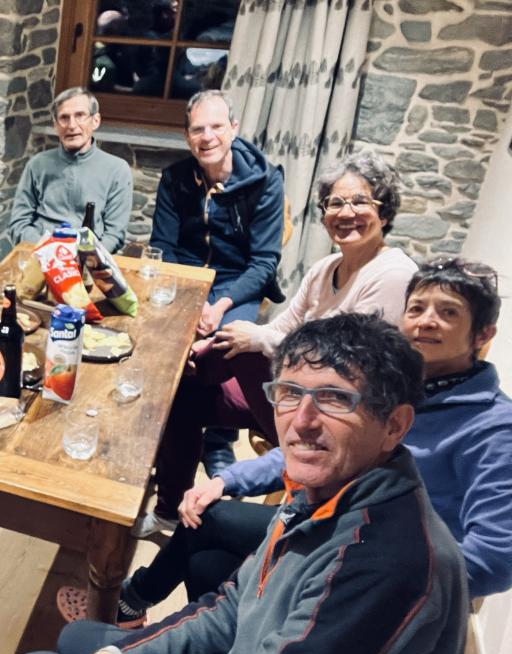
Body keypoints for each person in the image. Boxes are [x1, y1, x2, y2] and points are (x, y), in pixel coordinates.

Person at [14, 313, 469, 654]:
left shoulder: (383, 564)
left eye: (335, 399)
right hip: (251, 653)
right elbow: (236, 605)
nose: (302, 421)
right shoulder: (325, 491)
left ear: (395, 424)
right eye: (289, 393)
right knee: (81, 642)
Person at [111, 257, 511, 628]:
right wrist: (226, 480)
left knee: (210, 523)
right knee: (206, 561)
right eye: (417, 309)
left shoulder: (493, 428)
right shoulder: (391, 383)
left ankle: (134, 602)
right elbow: (313, 445)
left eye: (448, 312)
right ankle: (217, 644)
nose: (427, 322)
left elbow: (496, 558)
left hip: (374, 564)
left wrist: (374, 574)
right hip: (326, 521)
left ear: (483, 333)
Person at [134, 149, 418, 537]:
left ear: (383, 212)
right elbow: (284, 325)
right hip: (286, 394)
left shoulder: (393, 273)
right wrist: (226, 343)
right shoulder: (325, 268)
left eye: (359, 201)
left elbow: (349, 367)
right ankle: (169, 508)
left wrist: (252, 340)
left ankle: (176, 374)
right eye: (335, 203)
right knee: (187, 392)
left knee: (244, 350)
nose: (345, 212)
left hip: (333, 411)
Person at [147, 89, 286, 483]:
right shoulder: (175, 178)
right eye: (197, 130)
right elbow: (163, 247)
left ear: (234, 128)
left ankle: (216, 437)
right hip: (186, 279)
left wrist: (219, 304)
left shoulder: (265, 181)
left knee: (220, 347)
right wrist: (187, 302)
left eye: (216, 127)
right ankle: (163, 429)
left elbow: (263, 263)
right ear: (186, 136)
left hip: (236, 281)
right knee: (157, 339)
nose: (207, 137)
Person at [7, 87, 132, 252]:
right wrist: (47, 250)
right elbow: (19, 224)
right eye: (64, 118)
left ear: (95, 121)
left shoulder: (117, 170)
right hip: (41, 253)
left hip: (89, 256)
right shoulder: (38, 165)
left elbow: (115, 234)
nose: (72, 125)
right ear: (55, 125)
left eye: (80, 115)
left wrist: (87, 256)